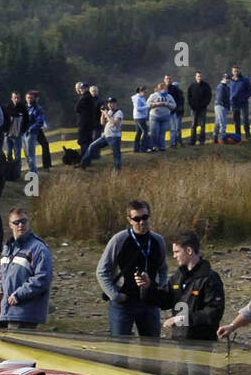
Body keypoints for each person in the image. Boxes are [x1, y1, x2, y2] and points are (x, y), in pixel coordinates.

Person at [96, 199, 167, 338]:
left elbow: (163, 268)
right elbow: (101, 271)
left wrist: (160, 288)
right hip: (124, 303)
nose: (142, 222)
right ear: (129, 220)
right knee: (120, 350)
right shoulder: (119, 240)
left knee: (152, 349)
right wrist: (115, 295)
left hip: (150, 303)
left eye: (145, 217)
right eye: (137, 219)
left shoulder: (158, 240)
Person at [151, 230, 224, 342]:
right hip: (178, 339)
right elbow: (166, 301)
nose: (174, 256)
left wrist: (183, 319)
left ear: (189, 250)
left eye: (177, 252)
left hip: (201, 342)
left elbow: (213, 312)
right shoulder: (177, 276)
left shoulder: (210, 278)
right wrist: (147, 288)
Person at [0, 208, 53, 329]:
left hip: (25, 313)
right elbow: (3, 276)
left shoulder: (38, 248)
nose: (21, 225)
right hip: (9, 311)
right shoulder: (7, 249)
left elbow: (43, 279)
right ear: (10, 225)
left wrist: (18, 295)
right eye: (16, 222)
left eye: (24, 221)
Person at [80, 97, 123, 170]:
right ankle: (83, 164)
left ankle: (118, 171)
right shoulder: (109, 112)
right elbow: (102, 122)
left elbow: (113, 123)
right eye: (108, 103)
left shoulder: (119, 113)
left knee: (116, 155)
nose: (109, 105)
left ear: (115, 104)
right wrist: (103, 114)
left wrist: (106, 114)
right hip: (106, 136)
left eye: (111, 103)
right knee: (91, 147)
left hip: (114, 137)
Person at [25, 90, 50, 173]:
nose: (29, 99)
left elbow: (40, 121)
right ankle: (32, 167)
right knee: (28, 151)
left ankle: (46, 165)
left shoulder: (38, 108)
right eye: (28, 98)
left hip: (35, 130)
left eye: (31, 98)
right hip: (27, 131)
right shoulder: (25, 107)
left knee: (44, 144)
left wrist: (31, 128)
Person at [146, 81, 174, 152]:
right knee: (154, 132)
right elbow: (147, 104)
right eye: (165, 89)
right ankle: (153, 146)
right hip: (155, 116)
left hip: (165, 117)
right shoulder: (153, 96)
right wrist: (156, 104)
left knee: (162, 132)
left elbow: (174, 105)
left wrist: (168, 104)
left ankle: (162, 147)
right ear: (160, 89)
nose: (166, 90)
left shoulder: (169, 96)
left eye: (166, 89)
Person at [5, 91, 27, 175]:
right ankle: (10, 171)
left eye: (17, 98)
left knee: (17, 154)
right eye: (14, 98)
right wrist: (5, 131)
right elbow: (4, 120)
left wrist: (22, 131)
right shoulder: (8, 107)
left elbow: (26, 121)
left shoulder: (23, 108)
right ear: (12, 98)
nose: (16, 99)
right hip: (8, 135)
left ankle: (17, 172)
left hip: (18, 135)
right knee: (9, 153)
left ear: (20, 98)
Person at [186, 71, 211, 146]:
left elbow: (209, 96)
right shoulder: (191, 85)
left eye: (200, 76)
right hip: (194, 108)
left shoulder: (206, 85)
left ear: (202, 77)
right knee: (193, 125)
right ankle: (192, 141)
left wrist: (204, 104)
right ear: (195, 77)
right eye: (198, 76)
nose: (199, 77)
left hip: (203, 108)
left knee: (202, 125)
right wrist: (191, 105)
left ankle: (202, 141)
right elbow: (189, 96)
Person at [229, 65, 251, 141]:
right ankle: (238, 136)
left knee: (245, 119)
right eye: (234, 71)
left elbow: (250, 90)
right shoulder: (230, 81)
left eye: (237, 71)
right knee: (236, 120)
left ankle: (247, 134)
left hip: (243, 102)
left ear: (239, 71)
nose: (236, 72)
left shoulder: (245, 80)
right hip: (234, 103)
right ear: (232, 72)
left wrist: (245, 97)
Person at [75, 81, 97, 154]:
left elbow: (77, 108)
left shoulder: (85, 98)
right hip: (88, 123)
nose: (81, 90)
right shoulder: (89, 97)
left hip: (84, 123)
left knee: (83, 141)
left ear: (87, 89)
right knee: (87, 140)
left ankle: (85, 159)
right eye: (81, 88)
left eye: (83, 88)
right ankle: (87, 158)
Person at [168, 76, 185, 148]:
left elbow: (180, 104)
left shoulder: (177, 94)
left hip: (176, 112)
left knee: (175, 128)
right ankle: (178, 141)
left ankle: (176, 142)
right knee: (177, 128)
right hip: (178, 112)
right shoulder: (180, 94)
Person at [131, 86, 149, 153]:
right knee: (145, 131)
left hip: (141, 117)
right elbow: (138, 108)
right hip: (139, 117)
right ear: (140, 91)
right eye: (144, 92)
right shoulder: (137, 98)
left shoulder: (141, 98)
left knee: (139, 132)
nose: (145, 93)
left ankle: (136, 148)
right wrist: (147, 106)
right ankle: (143, 148)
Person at [213, 75, 230, 144]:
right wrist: (225, 105)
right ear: (223, 78)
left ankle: (215, 137)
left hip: (223, 106)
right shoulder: (220, 86)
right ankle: (222, 138)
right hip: (220, 106)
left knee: (217, 123)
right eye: (226, 78)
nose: (227, 79)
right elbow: (220, 98)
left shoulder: (227, 87)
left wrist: (228, 106)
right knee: (222, 122)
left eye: (228, 78)